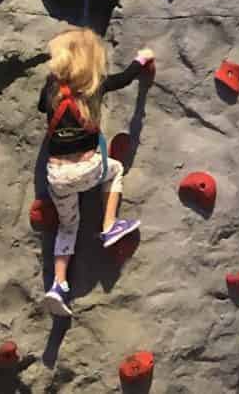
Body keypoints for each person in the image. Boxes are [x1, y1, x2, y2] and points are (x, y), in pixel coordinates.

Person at [38, 27, 152, 318]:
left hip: (57, 175)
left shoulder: (52, 88)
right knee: (114, 170)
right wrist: (142, 59)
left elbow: (42, 107)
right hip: (89, 169)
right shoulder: (96, 85)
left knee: (67, 226)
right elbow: (126, 78)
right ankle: (110, 224)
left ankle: (58, 284)